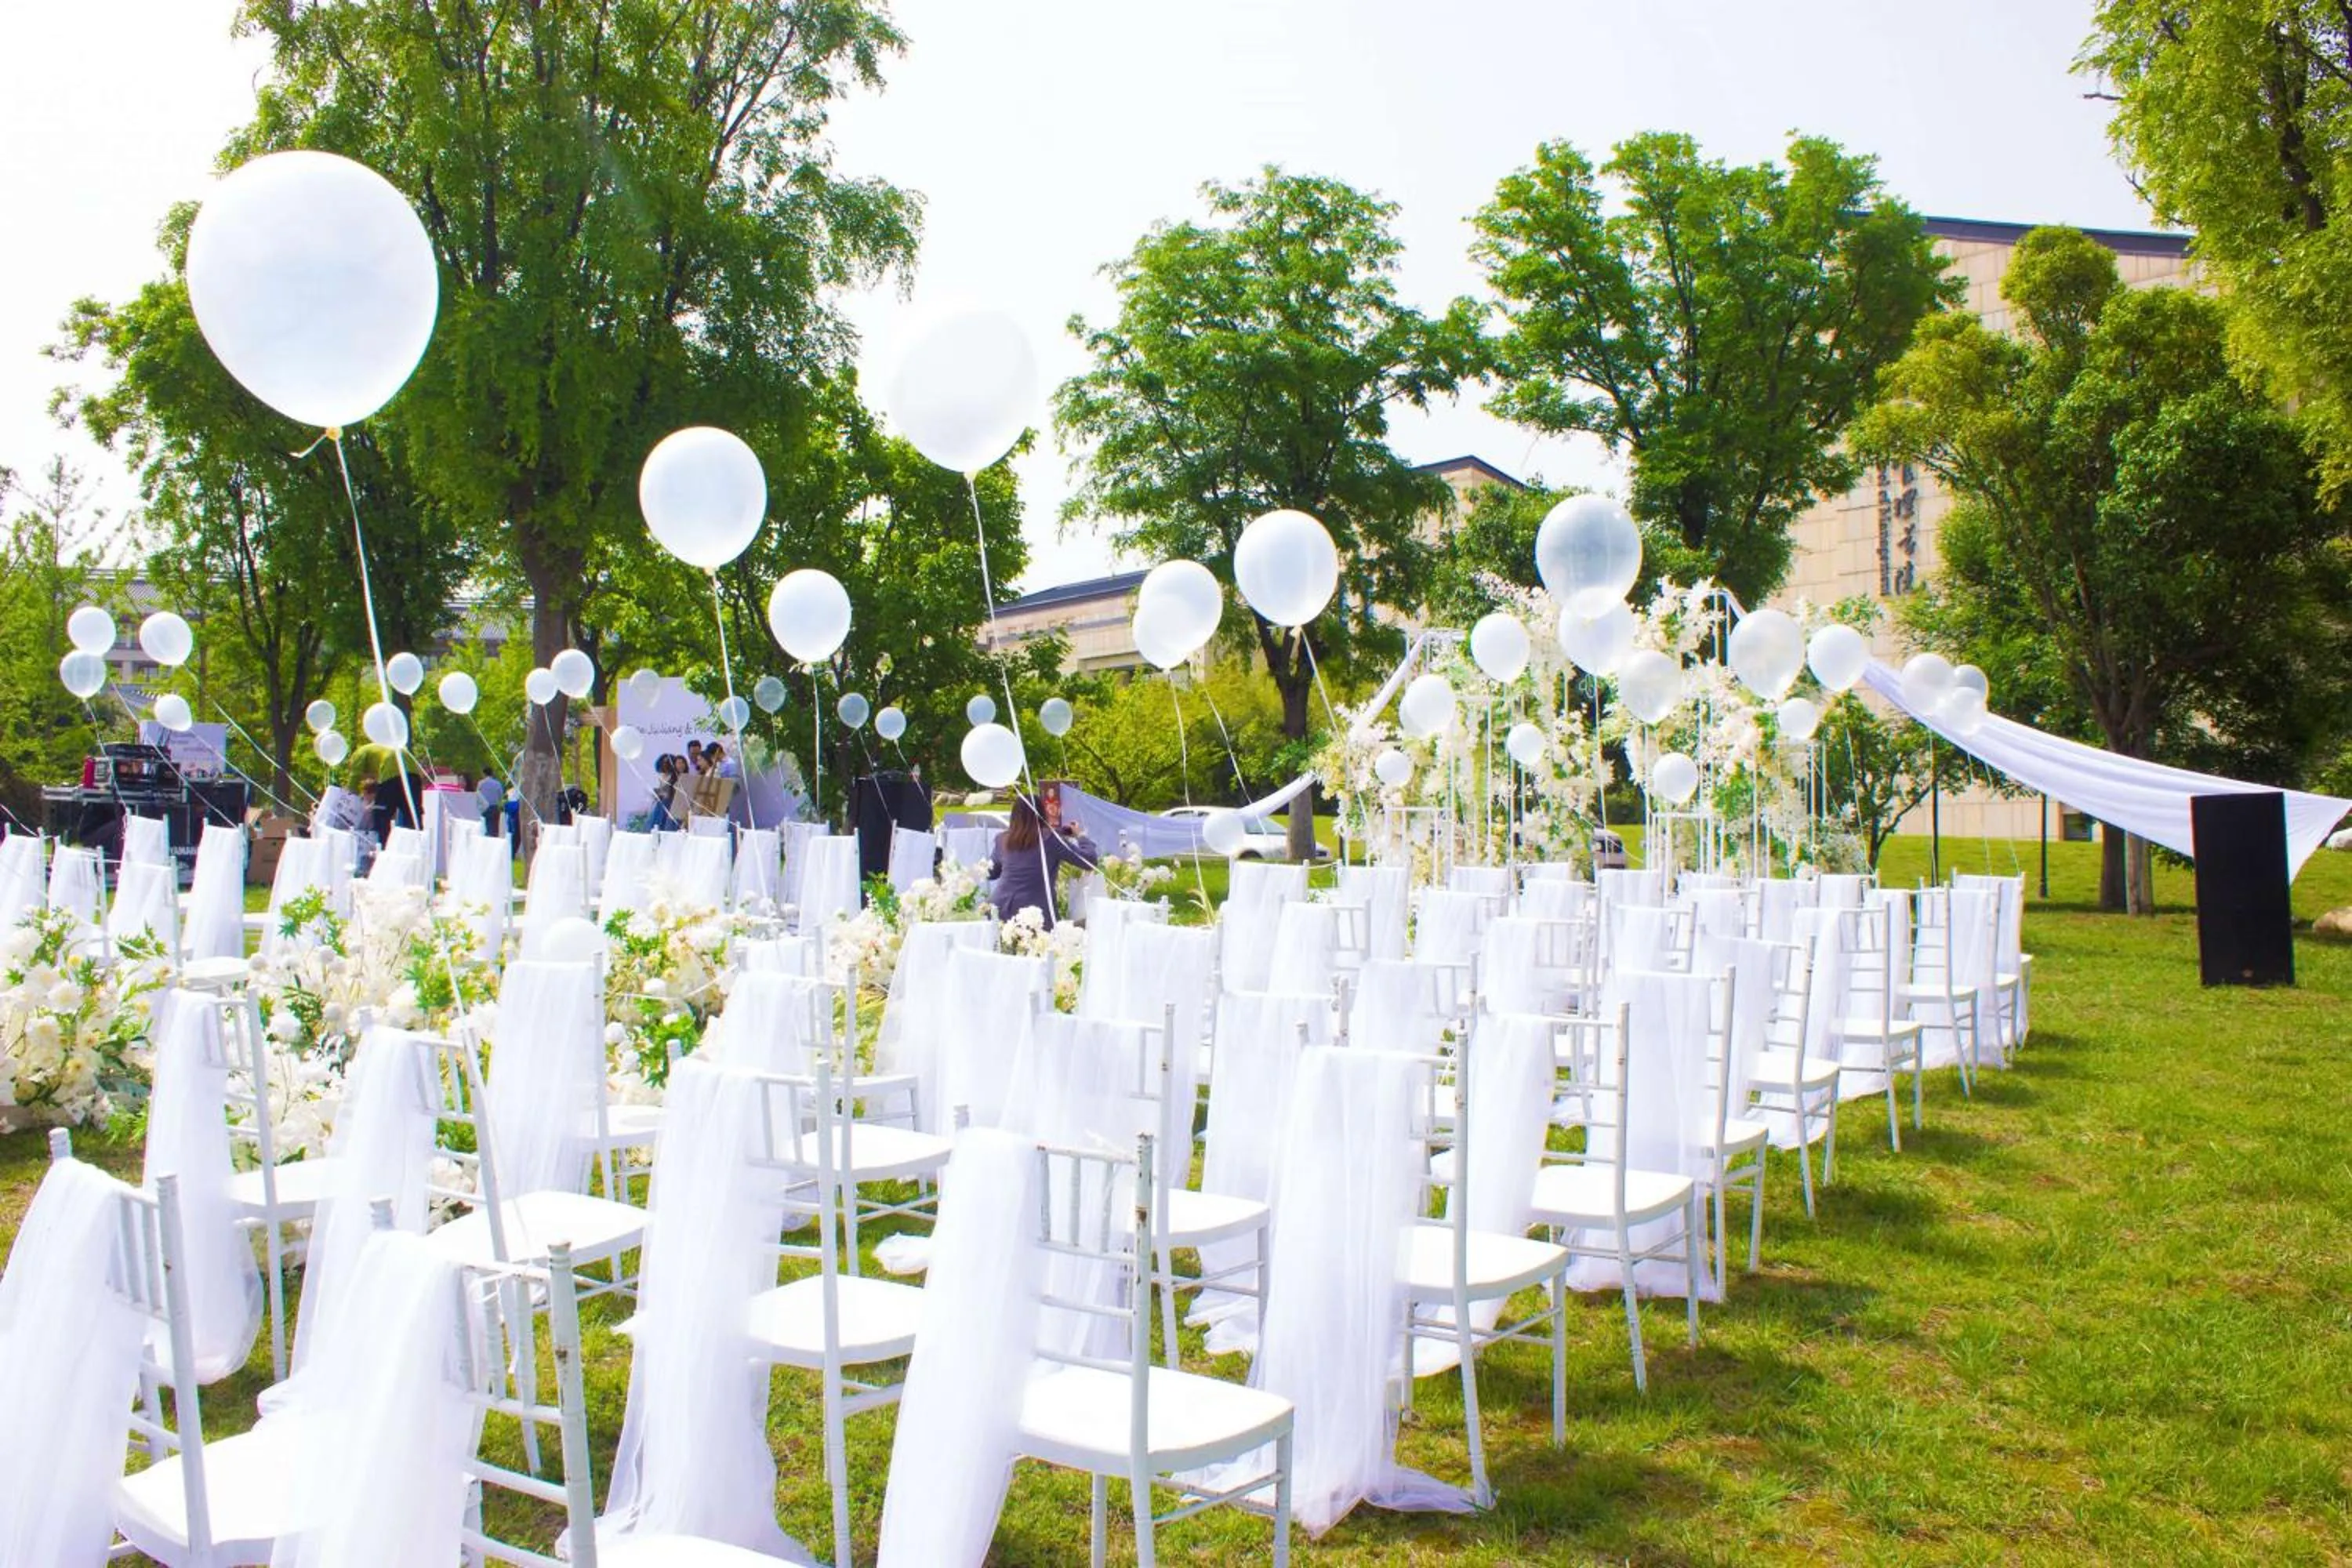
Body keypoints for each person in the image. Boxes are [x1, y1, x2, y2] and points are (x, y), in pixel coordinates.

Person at [987, 783, 1098, 930]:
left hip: (1001, 910)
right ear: (1041, 814)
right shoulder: (1050, 839)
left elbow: (991, 873)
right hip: (1036, 916)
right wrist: (1081, 837)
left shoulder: (1003, 839)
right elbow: (1089, 860)